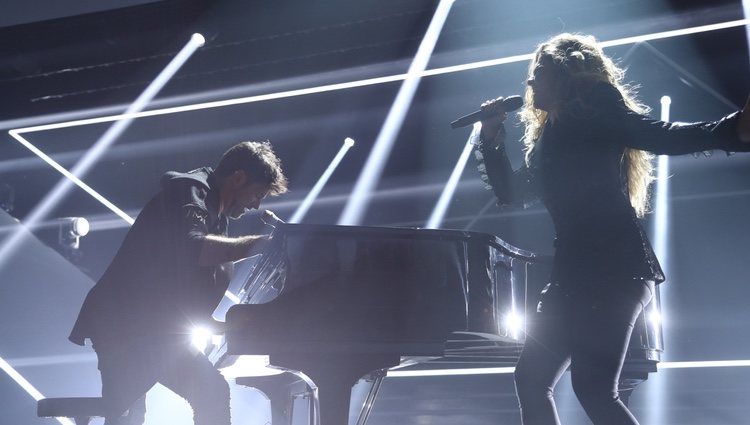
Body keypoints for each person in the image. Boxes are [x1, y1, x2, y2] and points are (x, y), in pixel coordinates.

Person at [473, 33, 750, 425]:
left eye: (539, 73)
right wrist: (490, 135)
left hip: (614, 269)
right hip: (573, 272)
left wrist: (730, 129)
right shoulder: (552, 133)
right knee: (532, 379)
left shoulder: (594, 105)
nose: (530, 83)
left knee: (593, 388)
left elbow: (656, 134)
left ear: (566, 75)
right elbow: (512, 192)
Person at [69, 141, 288, 425]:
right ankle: (113, 408)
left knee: (194, 395)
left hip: (148, 327)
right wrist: (257, 246)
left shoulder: (216, 217)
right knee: (206, 392)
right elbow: (192, 247)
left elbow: (177, 295)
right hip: (127, 325)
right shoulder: (190, 191)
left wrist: (226, 327)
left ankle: (113, 408)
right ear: (238, 178)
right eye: (258, 194)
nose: (256, 205)